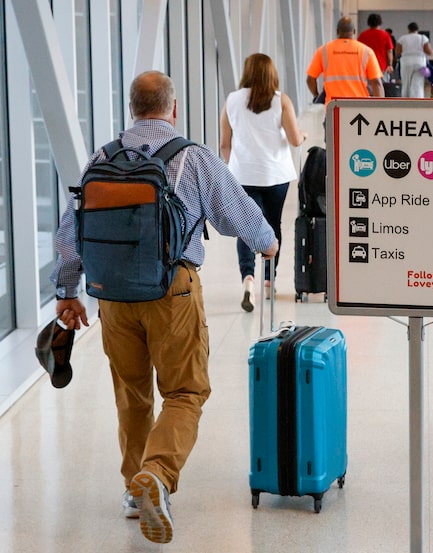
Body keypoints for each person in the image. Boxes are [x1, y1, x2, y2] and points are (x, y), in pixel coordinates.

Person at [50, 70, 279, 543]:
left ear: (132, 108)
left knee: (132, 394)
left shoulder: (102, 158)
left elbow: (70, 236)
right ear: (173, 108)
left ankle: (135, 492)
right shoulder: (191, 157)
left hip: (112, 297)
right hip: (172, 291)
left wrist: (66, 293)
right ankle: (156, 473)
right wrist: (269, 244)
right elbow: (240, 214)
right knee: (185, 392)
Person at [220, 53, 307, 311]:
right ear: (272, 73)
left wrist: (233, 167)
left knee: (247, 226)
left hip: (243, 175)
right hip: (275, 176)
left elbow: (225, 143)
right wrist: (302, 135)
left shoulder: (233, 101)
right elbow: (294, 139)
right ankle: (269, 279)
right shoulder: (281, 101)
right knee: (272, 224)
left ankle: (248, 278)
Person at [306, 16, 384, 105]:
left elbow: (310, 79)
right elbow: (377, 83)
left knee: (332, 119)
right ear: (354, 31)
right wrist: (380, 108)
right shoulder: (366, 51)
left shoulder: (323, 50)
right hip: (359, 106)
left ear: (337, 31)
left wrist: (316, 95)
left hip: (333, 107)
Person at [395, 22, 433, 98]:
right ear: (417, 29)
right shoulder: (423, 38)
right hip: (419, 63)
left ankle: (405, 99)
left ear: (408, 29)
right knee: (418, 83)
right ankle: (417, 100)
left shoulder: (402, 38)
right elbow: (428, 51)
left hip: (406, 62)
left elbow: (397, 52)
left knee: (406, 83)